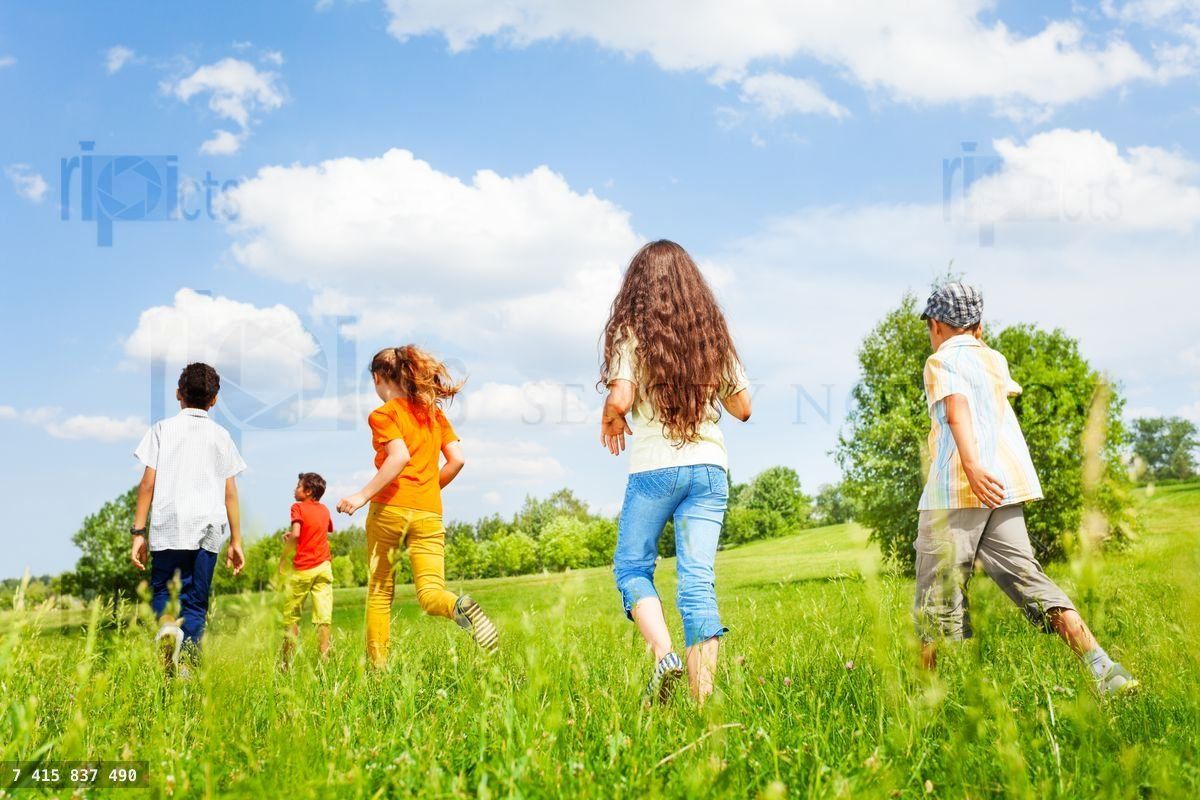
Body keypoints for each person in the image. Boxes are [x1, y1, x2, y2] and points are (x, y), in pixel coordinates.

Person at [913, 282, 1137, 695]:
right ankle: (1104, 669)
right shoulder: (994, 360)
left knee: (934, 599)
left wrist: (972, 465)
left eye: (930, 324)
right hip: (1003, 490)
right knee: (1030, 581)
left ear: (938, 324)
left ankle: (924, 701)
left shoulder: (939, 362)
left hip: (957, 491)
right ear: (978, 326)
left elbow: (958, 406)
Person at [599, 240, 752, 706]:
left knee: (632, 567)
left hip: (655, 470)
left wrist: (610, 415)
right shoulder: (711, 334)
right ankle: (702, 703)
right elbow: (743, 408)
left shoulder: (631, 331)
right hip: (709, 468)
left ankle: (663, 654)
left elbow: (622, 398)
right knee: (697, 580)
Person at [336, 345, 499, 665]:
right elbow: (458, 460)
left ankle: (379, 673)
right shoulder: (434, 415)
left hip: (389, 510)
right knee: (431, 594)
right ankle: (458, 606)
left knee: (381, 594)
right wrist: (425, 489)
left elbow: (398, 457)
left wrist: (361, 496)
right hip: (428, 513)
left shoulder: (383, 414)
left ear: (378, 377)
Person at [130, 362, 247, 674]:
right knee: (195, 602)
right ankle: (189, 668)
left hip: (167, 526)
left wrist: (138, 532)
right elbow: (230, 493)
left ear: (178, 393)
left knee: (162, 592)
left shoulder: (161, 430)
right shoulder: (222, 436)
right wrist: (236, 540)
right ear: (215, 399)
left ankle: (167, 632)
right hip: (206, 529)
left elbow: (147, 484)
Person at [280, 472, 335, 665]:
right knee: (323, 616)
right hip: (324, 567)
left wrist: (283, 560)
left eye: (298, 486)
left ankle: (286, 663)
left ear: (308, 491)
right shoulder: (325, 510)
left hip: (303, 569)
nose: (295, 489)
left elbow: (296, 535)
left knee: (291, 616)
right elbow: (320, 530)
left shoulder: (297, 507)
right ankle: (325, 659)